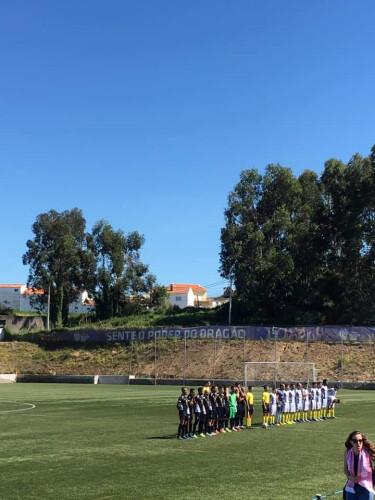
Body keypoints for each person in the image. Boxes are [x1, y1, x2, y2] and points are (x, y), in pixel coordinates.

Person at [344, 430, 375, 499]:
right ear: (351, 442)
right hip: (351, 487)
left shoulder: (367, 451)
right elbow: (345, 468)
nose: (358, 443)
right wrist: (349, 477)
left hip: (366, 487)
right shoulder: (347, 452)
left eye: (360, 440)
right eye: (355, 441)